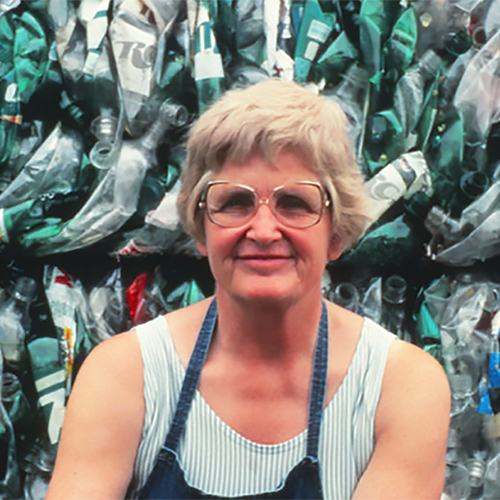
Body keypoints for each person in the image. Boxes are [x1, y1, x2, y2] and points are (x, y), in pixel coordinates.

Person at [46, 80, 450, 500]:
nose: (262, 230)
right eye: (234, 202)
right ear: (200, 231)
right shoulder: (126, 374)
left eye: (295, 203)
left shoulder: (398, 386)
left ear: (337, 233)